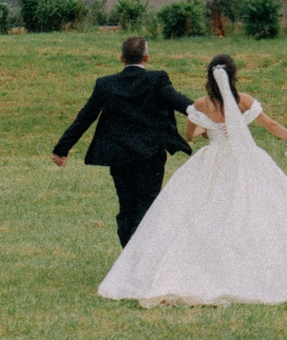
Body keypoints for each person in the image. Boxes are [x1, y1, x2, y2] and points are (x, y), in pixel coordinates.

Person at [96, 52, 287, 307]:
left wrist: (208, 129)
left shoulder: (200, 105)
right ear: (233, 75)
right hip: (246, 160)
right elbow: (271, 125)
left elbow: (191, 134)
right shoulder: (244, 101)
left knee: (196, 212)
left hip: (212, 159)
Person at [51, 35, 195, 245]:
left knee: (126, 206)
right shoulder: (157, 80)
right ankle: (140, 255)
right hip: (150, 154)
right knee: (146, 204)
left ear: (121, 58)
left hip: (120, 156)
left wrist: (62, 149)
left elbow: (85, 117)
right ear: (146, 57)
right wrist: (211, 114)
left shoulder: (106, 85)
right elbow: (182, 103)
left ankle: (128, 252)